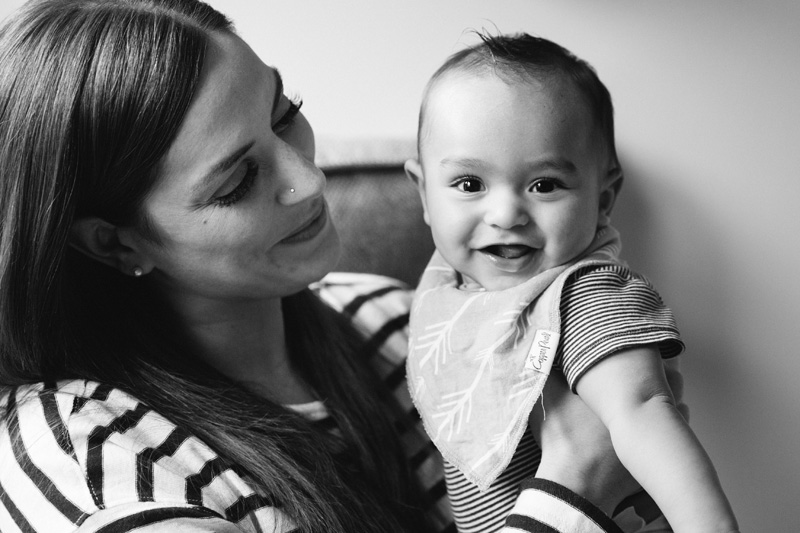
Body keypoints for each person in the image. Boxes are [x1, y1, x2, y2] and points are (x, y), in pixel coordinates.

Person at [0, 1, 683, 531]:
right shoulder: (90, 465)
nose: (308, 178)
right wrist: (574, 486)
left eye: (285, 114)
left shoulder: (398, 323)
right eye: (237, 181)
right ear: (117, 243)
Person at [405, 33, 739, 533]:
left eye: (544, 185)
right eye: (470, 184)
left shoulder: (583, 293)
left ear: (603, 201)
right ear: (424, 194)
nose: (505, 214)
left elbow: (642, 409)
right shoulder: (452, 288)